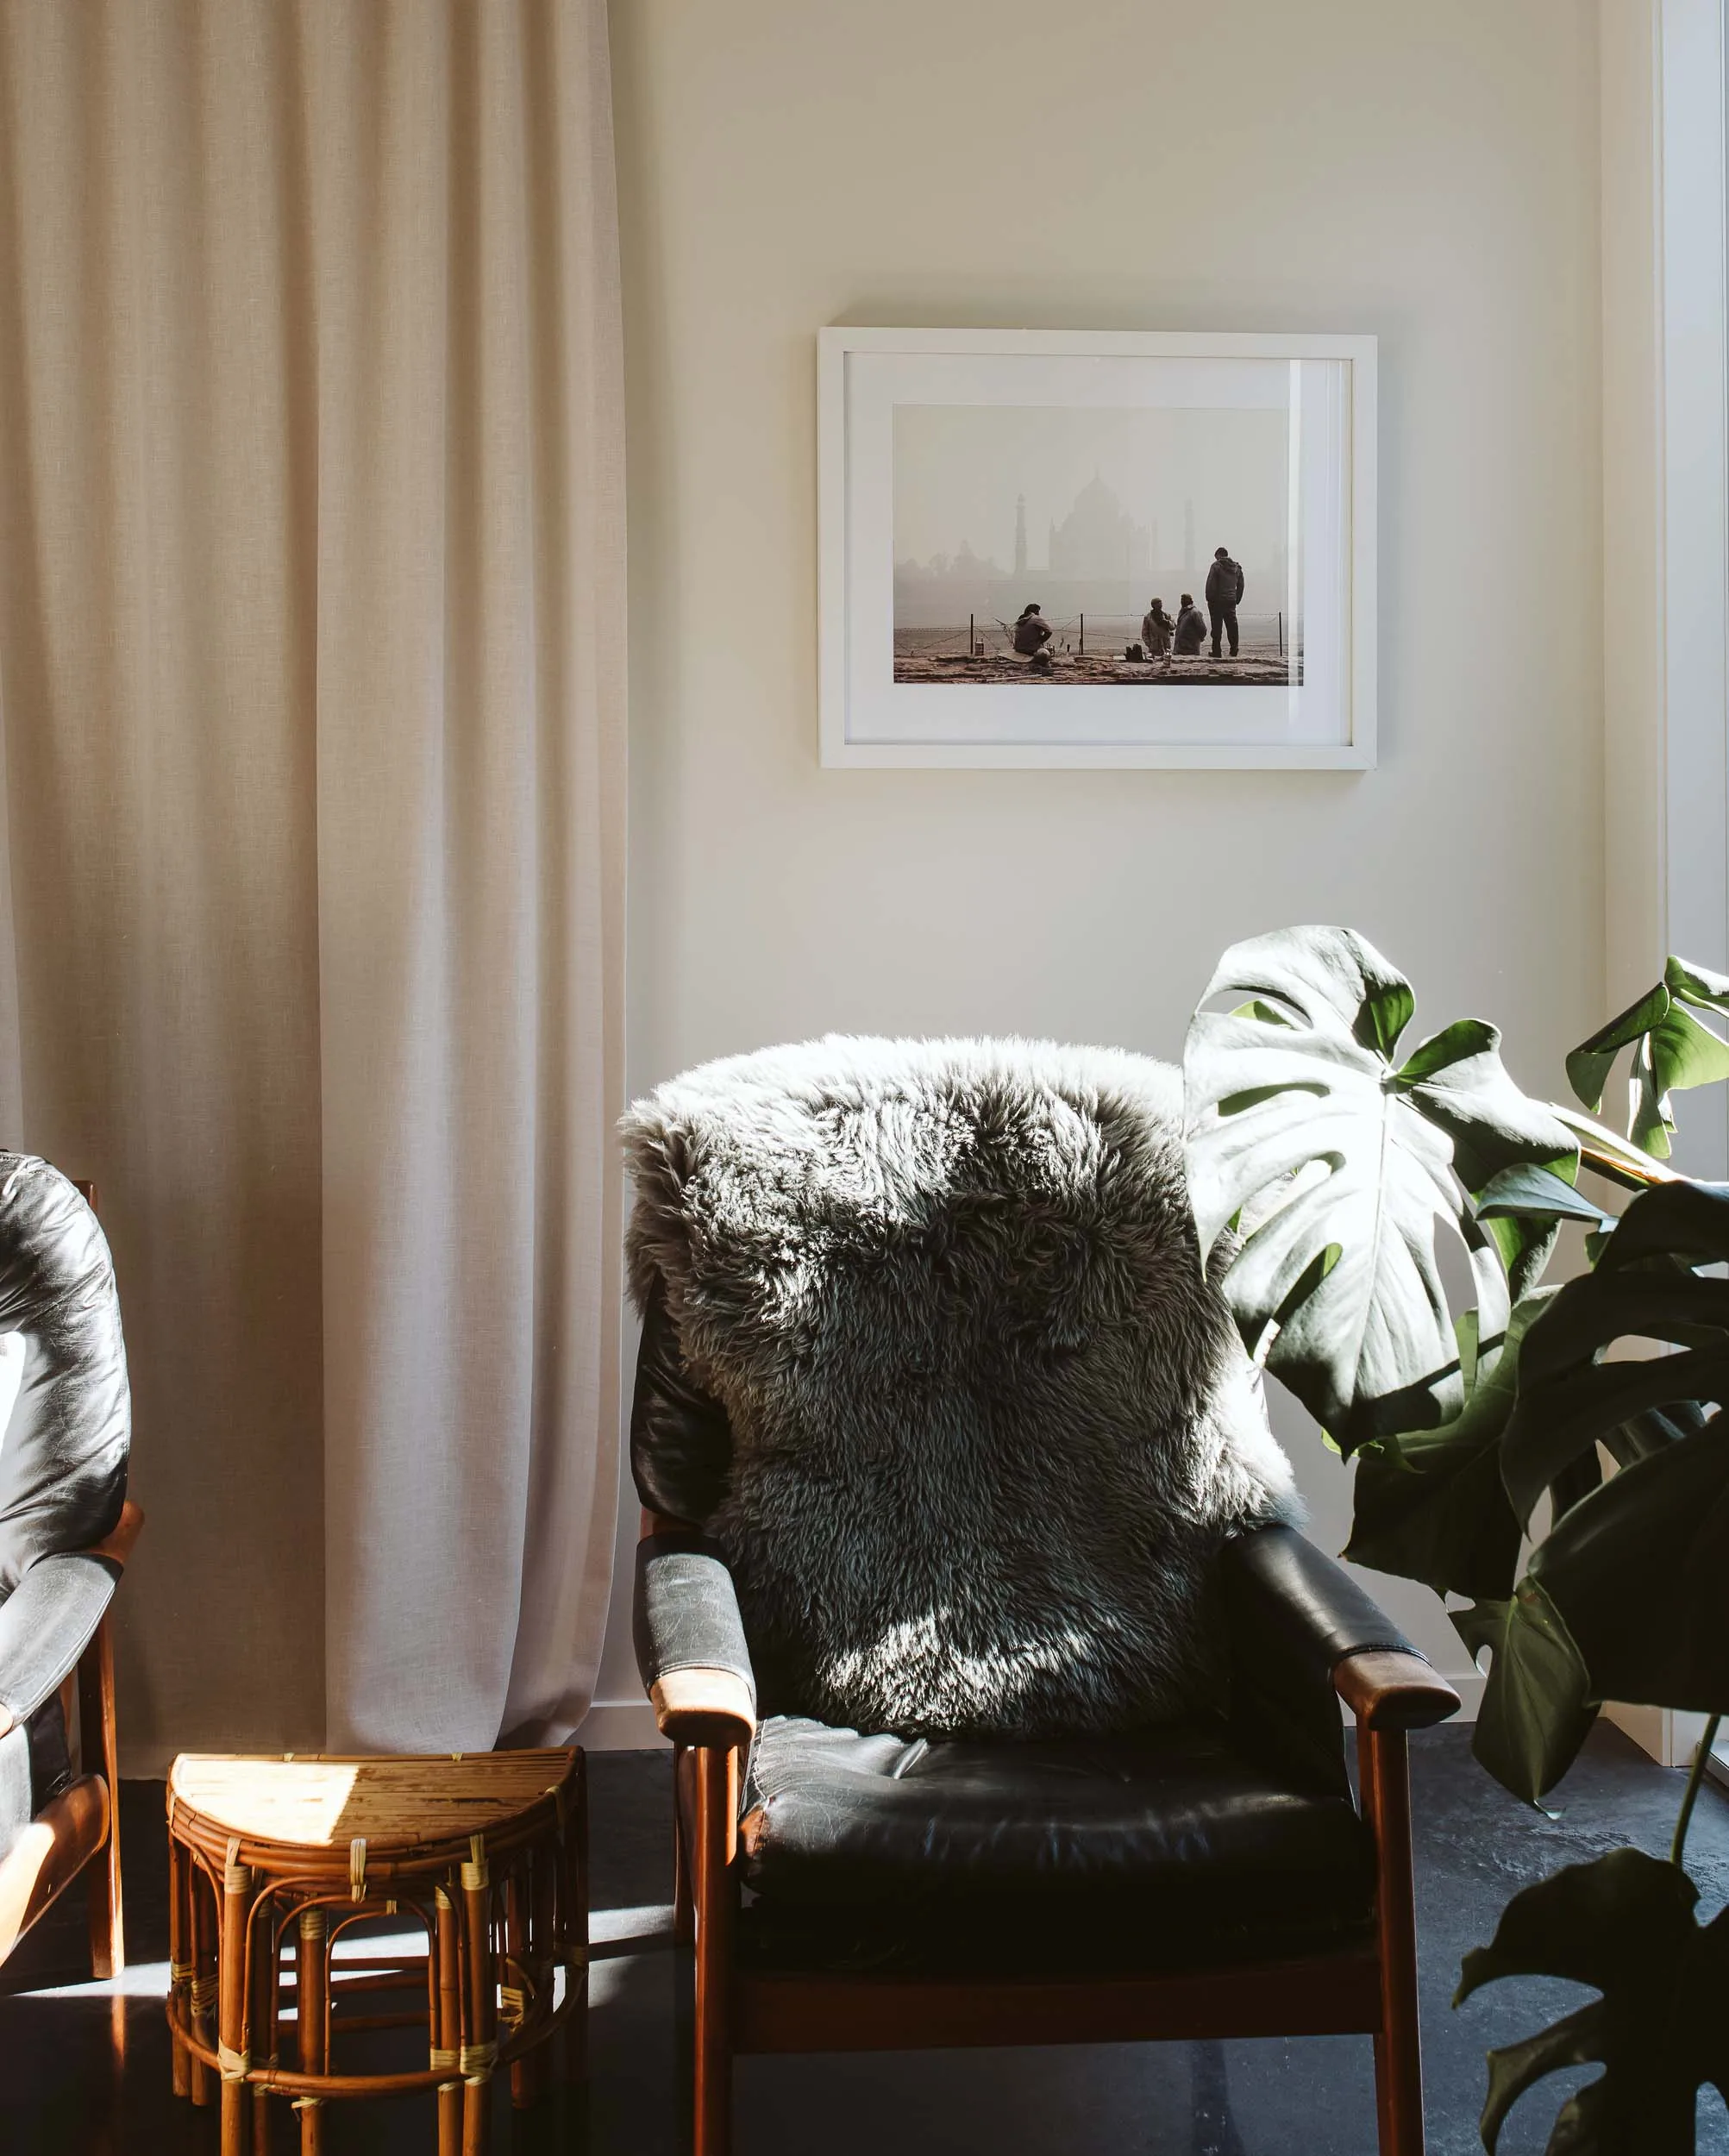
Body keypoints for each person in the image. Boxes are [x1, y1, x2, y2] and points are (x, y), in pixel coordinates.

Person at [1205, 545, 1244, 657]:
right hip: (1231, 601)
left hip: (1217, 601)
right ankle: (1234, 649)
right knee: (1232, 625)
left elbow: (1211, 584)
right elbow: (1241, 585)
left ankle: (1217, 651)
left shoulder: (1216, 566)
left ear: (1218, 555)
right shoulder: (1237, 568)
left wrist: (1209, 598)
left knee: (1216, 627)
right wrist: (1237, 599)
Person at [1141, 598, 1174, 669]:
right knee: (1154, 665)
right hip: (1154, 647)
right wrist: (1149, 644)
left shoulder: (1166, 615)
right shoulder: (1148, 617)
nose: (1160, 605)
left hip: (1166, 645)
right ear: (1153, 605)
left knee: (1167, 664)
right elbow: (1144, 633)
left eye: (1161, 603)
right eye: (1158, 604)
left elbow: (1173, 626)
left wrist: (1167, 622)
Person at [1174, 592, 1206, 656]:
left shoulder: (1195, 612)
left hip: (1191, 648)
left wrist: (1200, 638)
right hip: (1180, 648)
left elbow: (1202, 629)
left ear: (1190, 601)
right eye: (1182, 600)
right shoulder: (1182, 611)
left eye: (1184, 600)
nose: (1182, 601)